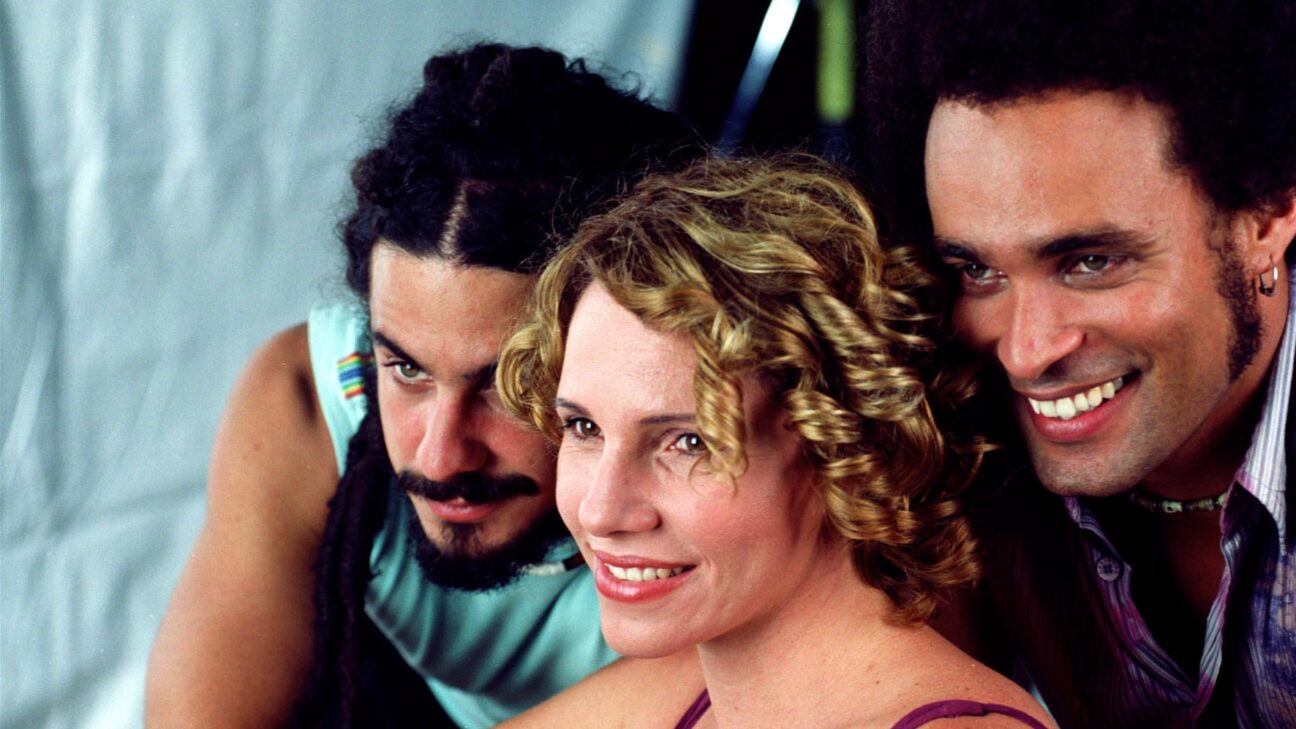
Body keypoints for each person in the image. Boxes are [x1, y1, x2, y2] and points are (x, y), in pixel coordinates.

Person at [146, 43, 698, 728]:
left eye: (506, 383)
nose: (439, 456)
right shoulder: (318, 401)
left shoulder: (732, 451)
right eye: (407, 369)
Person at [494, 156, 1055, 728]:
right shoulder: (688, 681)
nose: (600, 511)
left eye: (689, 443)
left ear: (848, 444)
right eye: (585, 428)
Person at [859, 2, 1296, 726]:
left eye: (1090, 262)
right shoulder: (955, 455)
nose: (1025, 351)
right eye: (978, 271)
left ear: (1266, 215)